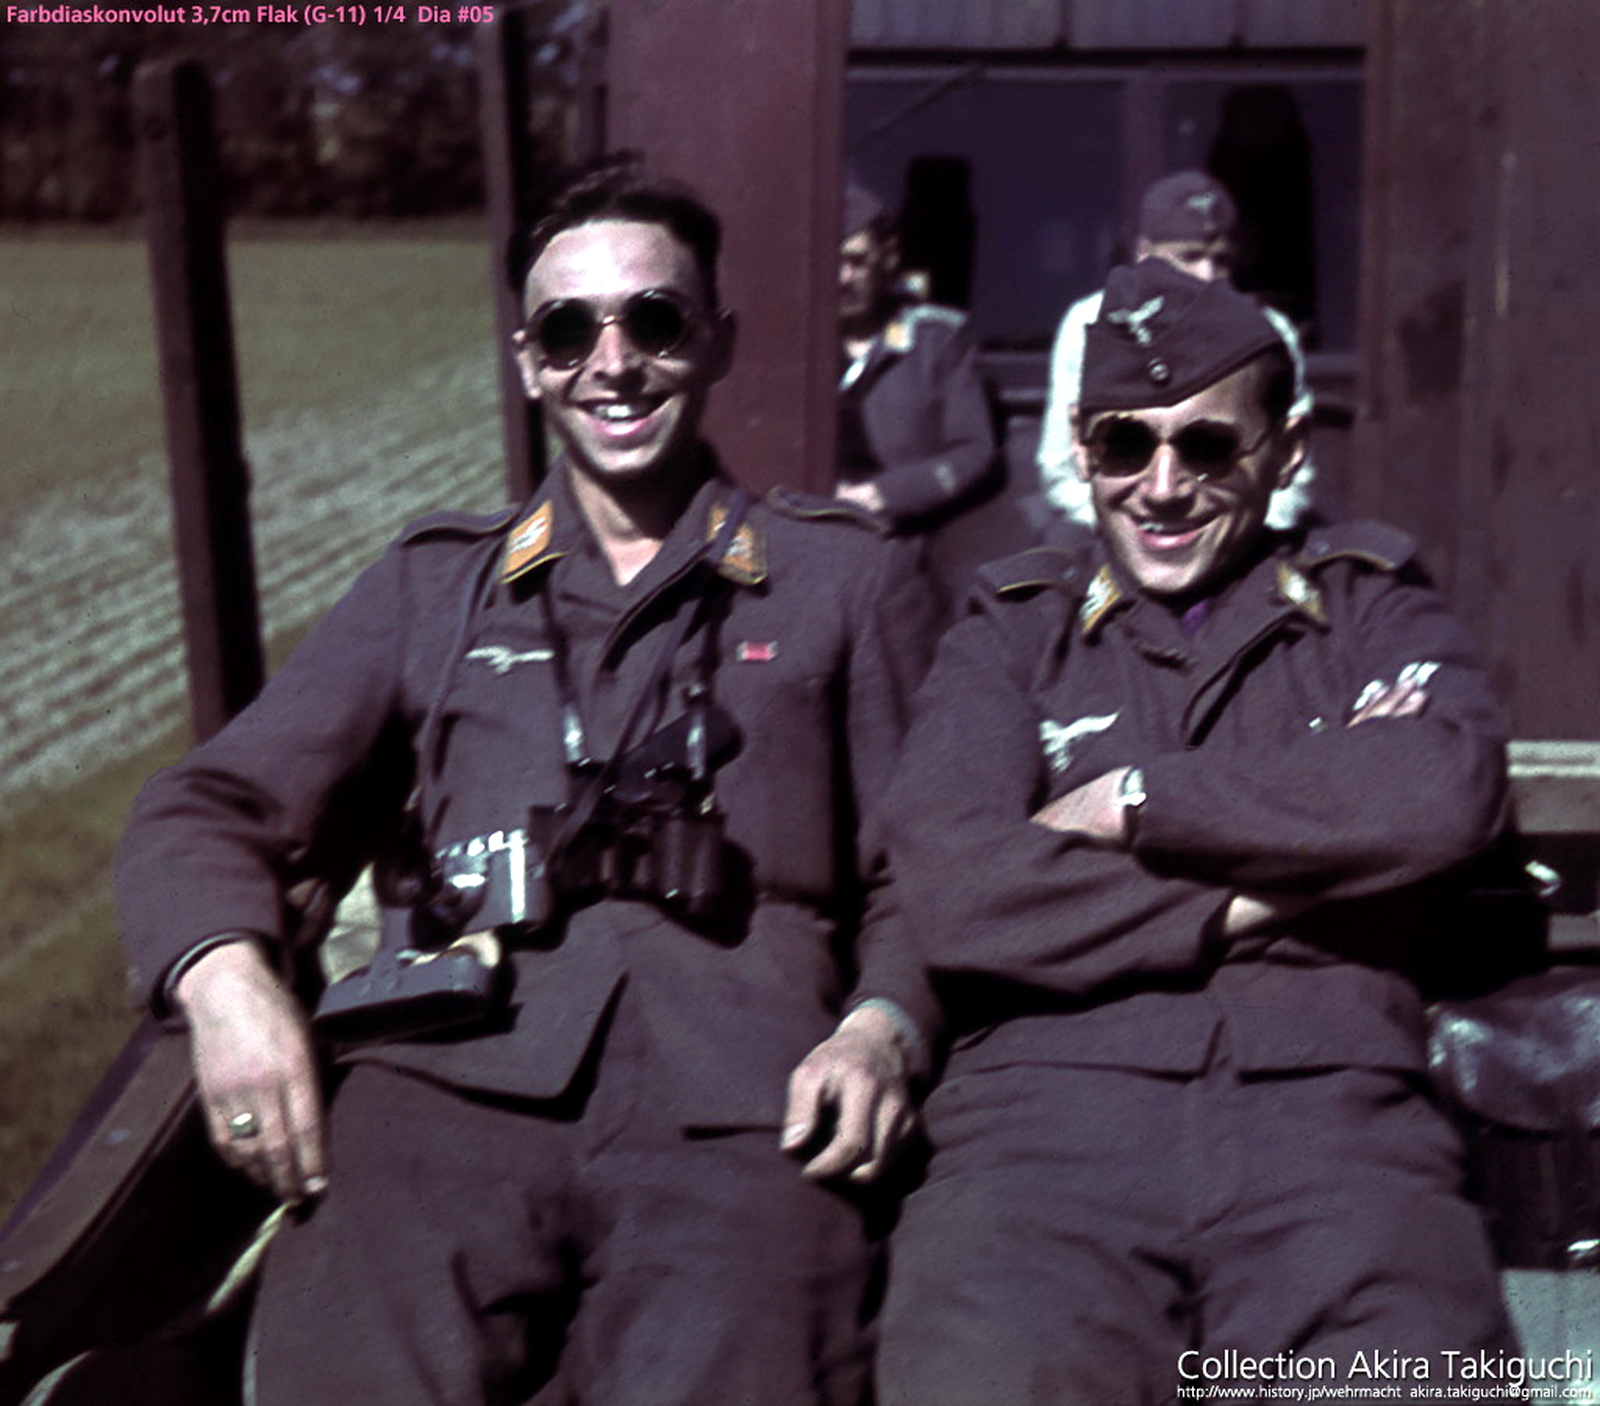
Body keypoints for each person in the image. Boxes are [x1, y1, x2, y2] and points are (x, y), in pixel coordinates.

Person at [115, 161, 942, 1406]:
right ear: (528, 360)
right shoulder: (436, 587)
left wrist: (883, 1026)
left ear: (714, 340)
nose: (613, 363)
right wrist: (224, 980)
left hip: (747, 1109)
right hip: (448, 1089)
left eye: (653, 322)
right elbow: (210, 805)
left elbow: (932, 860)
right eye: (570, 330)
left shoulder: (844, 584)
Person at [876, 256, 1515, 1405]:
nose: (1161, 487)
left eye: (1207, 446)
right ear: (1081, 447)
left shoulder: (1367, 605)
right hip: (1043, 1140)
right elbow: (956, 878)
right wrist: (1288, 884)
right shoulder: (1012, 631)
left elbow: (1442, 790)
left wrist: (1134, 801)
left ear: (1285, 450)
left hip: (1335, 1134)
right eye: (1125, 443)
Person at [1036, 168, 1317, 537]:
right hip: (1117, 529)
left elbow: (1294, 475)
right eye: (1189, 256)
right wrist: (1142, 531)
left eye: (1223, 260)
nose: (1208, 274)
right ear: (1143, 253)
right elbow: (1060, 464)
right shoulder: (1092, 321)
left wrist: (1234, 539)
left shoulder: (1268, 330)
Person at [834, 177, 997, 530]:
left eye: (857, 260)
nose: (843, 277)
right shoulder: (793, 346)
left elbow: (974, 449)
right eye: (831, 261)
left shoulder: (935, 340)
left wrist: (884, 495)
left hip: (907, 532)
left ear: (887, 259)